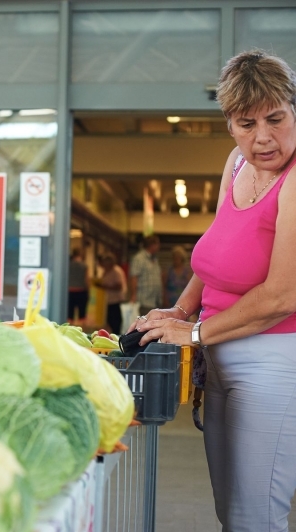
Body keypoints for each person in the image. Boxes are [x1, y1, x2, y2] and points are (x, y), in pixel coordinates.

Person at [133, 50, 296, 531]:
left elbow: (283, 295)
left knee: (255, 517)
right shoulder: (237, 163)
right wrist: (181, 310)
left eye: (276, 118)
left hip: (272, 361)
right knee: (229, 511)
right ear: (229, 125)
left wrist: (194, 333)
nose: (262, 137)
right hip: (220, 352)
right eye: (247, 124)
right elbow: (219, 252)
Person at [128, 234, 162, 317]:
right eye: (157, 244)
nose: (159, 246)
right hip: (143, 301)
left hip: (154, 301)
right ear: (152, 245)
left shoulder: (154, 259)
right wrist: (133, 295)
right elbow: (134, 277)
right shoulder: (139, 258)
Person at [93, 253, 126, 333]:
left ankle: (116, 335)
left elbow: (119, 286)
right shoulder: (106, 271)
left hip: (115, 301)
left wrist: (105, 286)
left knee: (115, 322)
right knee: (109, 321)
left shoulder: (116, 271)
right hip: (108, 300)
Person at [67, 248, 90, 324]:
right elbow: (87, 279)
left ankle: (69, 329)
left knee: (70, 315)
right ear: (81, 254)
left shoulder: (68, 265)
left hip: (70, 291)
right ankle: (82, 329)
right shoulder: (84, 265)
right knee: (82, 315)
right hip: (81, 291)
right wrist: (88, 291)